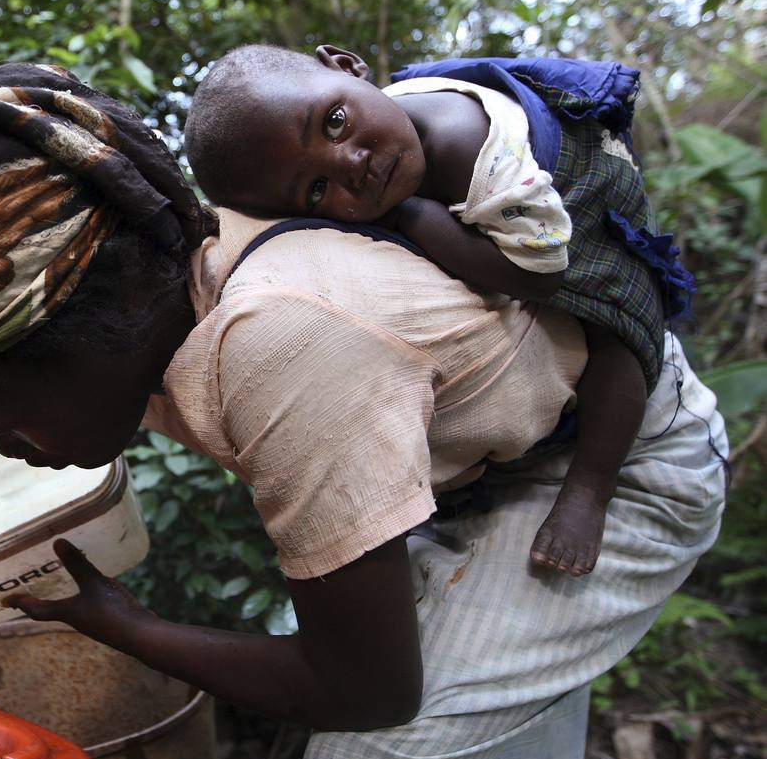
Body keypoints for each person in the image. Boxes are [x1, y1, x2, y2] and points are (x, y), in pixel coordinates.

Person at [0, 62, 727, 759]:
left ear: (97, 332)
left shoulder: (283, 339)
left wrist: (120, 624)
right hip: (484, 468)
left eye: (5, 421)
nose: (8, 452)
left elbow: (363, 688)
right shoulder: (170, 277)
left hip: (619, 468)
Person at [183, 43, 697, 578]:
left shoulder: (468, 150)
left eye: (334, 122)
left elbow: (539, 274)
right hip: (510, 207)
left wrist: (414, 219)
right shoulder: (383, 138)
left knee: (621, 336)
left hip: (571, 196)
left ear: (346, 64)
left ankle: (591, 488)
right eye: (316, 189)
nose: (351, 164)